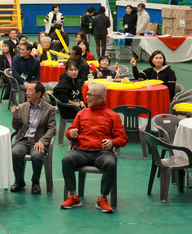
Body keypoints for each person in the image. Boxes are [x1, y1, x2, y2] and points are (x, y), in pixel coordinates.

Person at [61, 84, 127, 213]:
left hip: (102, 153)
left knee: (111, 163)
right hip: (81, 151)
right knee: (66, 160)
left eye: (90, 95)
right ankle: (73, 196)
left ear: (101, 97)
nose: (87, 97)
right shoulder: (81, 113)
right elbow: (69, 133)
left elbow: (123, 139)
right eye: (87, 94)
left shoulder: (113, 116)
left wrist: (112, 142)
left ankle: (102, 198)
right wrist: (71, 133)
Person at [10, 82, 56, 195]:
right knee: (14, 152)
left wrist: (42, 141)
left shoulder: (49, 109)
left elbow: (52, 129)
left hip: (38, 141)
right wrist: (15, 116)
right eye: (27, 90)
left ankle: (35, 182)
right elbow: (16, 127)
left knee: (37, 155)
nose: (27, 93)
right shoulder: (22, 107)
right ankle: (19, 181)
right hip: (23, 140)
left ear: (38, 94)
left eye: (30, 90)